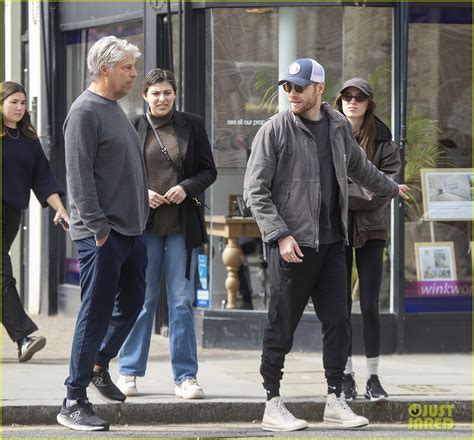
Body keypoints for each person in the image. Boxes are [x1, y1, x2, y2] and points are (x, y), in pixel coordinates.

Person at [243, 58, 410, 432]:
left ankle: (335, 399)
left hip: (334, 242)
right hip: (293, 245)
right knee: (281, 325)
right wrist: (280, 234)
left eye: (299, 87)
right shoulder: (275, 130)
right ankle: (272, 401)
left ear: (319, 89)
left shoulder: (336, 126)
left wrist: (392, 188)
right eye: (287, 87)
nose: (292, 93)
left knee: (338, 323)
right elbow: (254, 190)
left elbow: (360, 168)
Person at [56, 36, 149, 432]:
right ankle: (73, 400)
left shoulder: (116, 109)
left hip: (132, 230)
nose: (133, 75)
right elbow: (78, 178)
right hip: (102, 234)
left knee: (133, 301)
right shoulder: (84, 112)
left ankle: (98, 363)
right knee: (93, 313)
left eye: (133, 67)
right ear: (104, 69)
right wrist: (98, 228)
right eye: (127, 68)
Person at [116, 68, 217, 399]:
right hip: (143, 227)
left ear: (176, 94)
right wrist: (141, 192)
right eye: (155, 93)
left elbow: (208, 171)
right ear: (144, 95)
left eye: (167, 93)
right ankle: (128, 372)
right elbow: (117, 173)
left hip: (181, 228)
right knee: (142, 301)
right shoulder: (131, 125)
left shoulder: (192, 125)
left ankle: (186, 377)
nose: (162, 98)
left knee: (181, 302)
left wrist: (185, 188)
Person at [334, 78, 401, 402]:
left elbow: (384, 189)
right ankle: (345, 376)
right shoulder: (330, 132)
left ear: (368, 102)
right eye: (347, 96)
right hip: (339, 230)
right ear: (339, 100)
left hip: (373, 230)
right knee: (341, 306)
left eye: (359, 97)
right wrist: (364, 190)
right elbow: (326, 184)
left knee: (371, 305)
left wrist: (349, 192)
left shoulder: (384, 139)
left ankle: (374, 377)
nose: (353, 101)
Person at [1, 81, 69, 363]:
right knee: (2, 274)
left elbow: (43, 179)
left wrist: (61, 209)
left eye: (22, 102)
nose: (19, 107)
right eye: (13, 102)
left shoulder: (29, 141)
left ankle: (23, 338)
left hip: (12, 215)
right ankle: (24, 336)